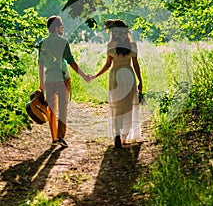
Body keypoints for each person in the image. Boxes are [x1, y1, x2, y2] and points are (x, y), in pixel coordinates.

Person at [38, 15, 90, 147]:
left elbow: (41, 64)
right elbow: (71, 62)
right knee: (63, 109)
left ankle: (54, 138)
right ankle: (61, 136)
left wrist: (41, 83)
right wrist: (84, 76)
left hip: (49, 79)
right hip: (63, 79)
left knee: (51, 109)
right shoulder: (63, 42)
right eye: (61, 26)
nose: (63, 28)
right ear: (56, 28)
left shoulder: (42, 43)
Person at [91, 19, 143, 148]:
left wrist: (96, 75)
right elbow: (136, 64)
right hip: (129, 74)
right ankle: (125, 135)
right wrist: (140, 80)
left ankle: (117, 134)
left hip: (115, 75)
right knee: (128, 106)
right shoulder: (132, 45)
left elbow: (108, 64)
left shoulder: (111, 45)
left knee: (117, 105)